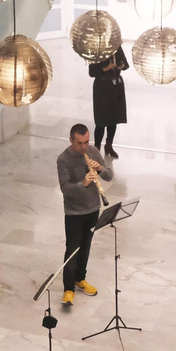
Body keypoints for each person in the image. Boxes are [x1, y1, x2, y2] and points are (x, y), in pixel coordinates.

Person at [56, 123, 112, 305]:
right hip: (74, 212)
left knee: (86, 247)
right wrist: (84, 183)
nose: (84, 147)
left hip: (93, 209)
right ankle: (68, 289)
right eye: (80, 143)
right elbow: (65, 189)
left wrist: (101, 169)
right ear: (71, 140)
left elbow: (110, 176)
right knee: (72, 250)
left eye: (86, 142)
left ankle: (80, 279)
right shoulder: (63, 159)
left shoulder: (93, 151)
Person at [89, 47, 129, 159]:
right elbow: (92, 72)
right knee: (101, 120)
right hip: (102, 88)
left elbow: (125, 64)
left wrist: (121, 66)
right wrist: (106, 68)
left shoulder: (117, 48)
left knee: (113, 119)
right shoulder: (96, 49)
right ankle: (96, 149)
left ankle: (109, 145)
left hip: (116, 87)